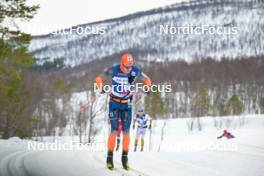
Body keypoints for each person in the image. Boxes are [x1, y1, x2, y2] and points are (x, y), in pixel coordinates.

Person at [95, 53, 151, 170]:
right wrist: (100, 87)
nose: (128, 70)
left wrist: (147, 87)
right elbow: (99, 78)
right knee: (114, 131)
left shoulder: (135, 70)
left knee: (126, 132)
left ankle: (124, 158)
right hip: (114, 103)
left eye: (130, 67)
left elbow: (147, 79)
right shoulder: (113, 70)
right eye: (126, 67)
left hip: (127, 104)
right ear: (122, 64)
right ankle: (109, 158)